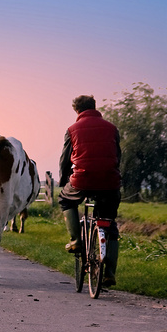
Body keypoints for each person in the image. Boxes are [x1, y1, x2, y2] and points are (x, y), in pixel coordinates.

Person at [59, 95, 121, 287]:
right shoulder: (112, 128)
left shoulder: (72, 130)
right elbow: (117, 155)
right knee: (109, 225)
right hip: (109, 182)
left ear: (77, 111)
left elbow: (65, 160)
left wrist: (63, 181)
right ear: (94, 107)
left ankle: (76, 240)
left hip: (81, 180)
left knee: (65, 201)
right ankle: (109, 272)